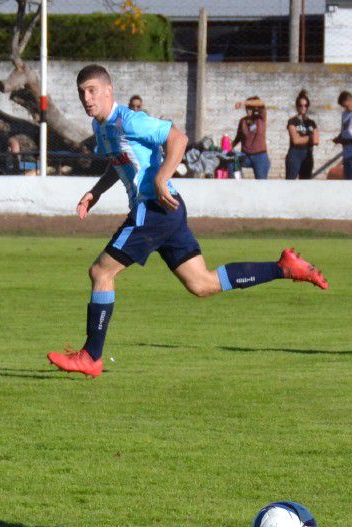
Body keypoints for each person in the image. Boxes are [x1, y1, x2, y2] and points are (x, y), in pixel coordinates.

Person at [46, 65, 328, 378]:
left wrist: (162, 177)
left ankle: (91, 356)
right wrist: (95, 192)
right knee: (202, 284)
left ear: (108, 91)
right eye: (82, 92)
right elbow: (120, 162)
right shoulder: (101, 128)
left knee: (101, 271)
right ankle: (284, 267)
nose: (86, 98)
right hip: (168, 209)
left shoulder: (130, 119)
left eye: (92, 90)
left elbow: (178, 138)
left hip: (154, 208)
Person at [229, 96, 270, 180]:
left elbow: (261, 103)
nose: (248, 110)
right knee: (232, 161)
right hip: (246, 155)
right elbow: (238, 138)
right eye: (247, 108)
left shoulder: (260, 118)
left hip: (260, 156)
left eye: (251, 107)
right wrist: (229, 146)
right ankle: (238, 182)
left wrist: (244, 103)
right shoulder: (243, 121)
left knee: (260, 185)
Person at [286, 90, 319, 180]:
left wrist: (301, 138)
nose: (303, 108)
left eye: (306, 105)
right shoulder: (292, 121)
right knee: (290, 181)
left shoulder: (311, 122)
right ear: (297, 107)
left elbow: (316, 141)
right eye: (300, 105)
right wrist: (310, 137)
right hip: (295, 154)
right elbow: (295, 140)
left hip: (307, 155)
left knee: (306, 184)